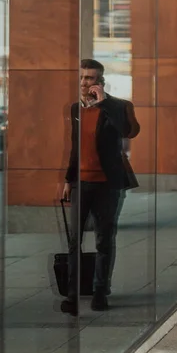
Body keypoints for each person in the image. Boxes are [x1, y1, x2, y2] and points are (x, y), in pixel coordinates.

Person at [60, 59, 140, 315]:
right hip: (81, 184)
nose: (85, 83)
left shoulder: (118, 106)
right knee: (74, 242)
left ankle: (100, 292)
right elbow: (75, 147)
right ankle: (72, 296)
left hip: (108, 184)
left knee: (104, 240)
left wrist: (104, 102)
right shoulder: (75, 109)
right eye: (82, 78)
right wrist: (68, 180)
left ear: (100, 82)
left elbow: (129, 131)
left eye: (91, 78)